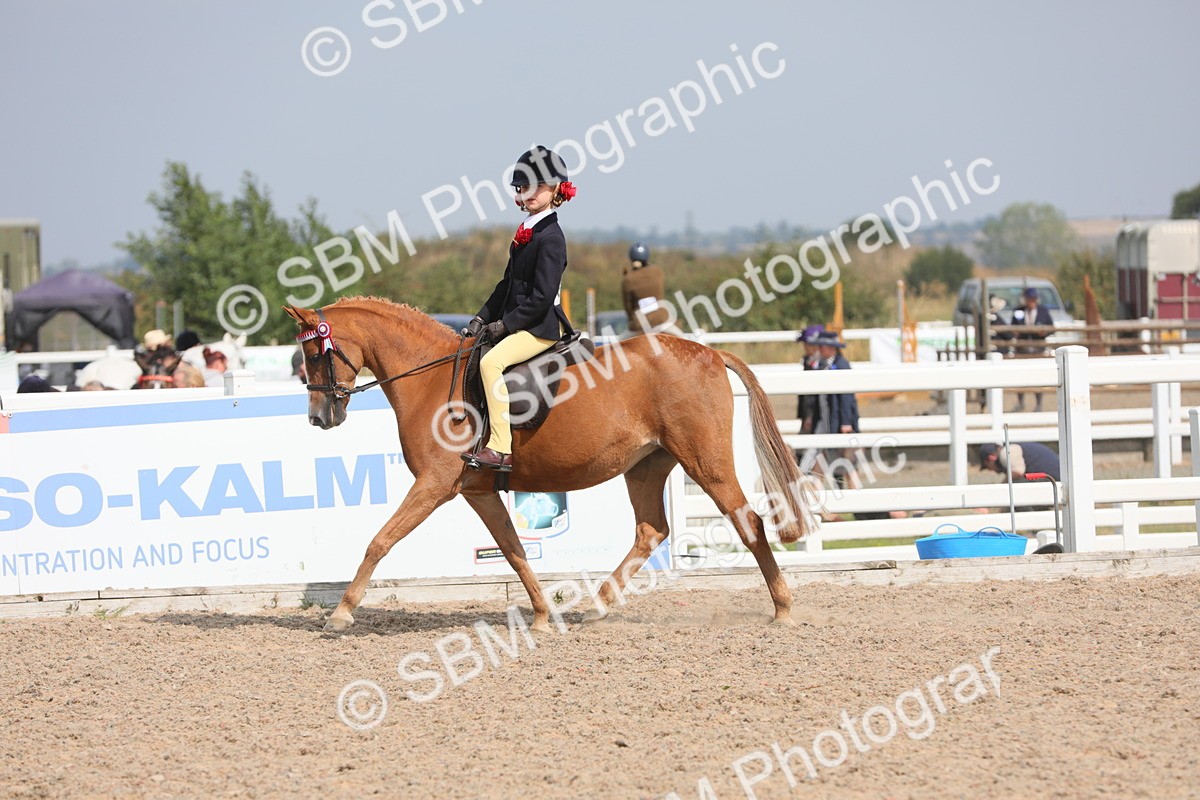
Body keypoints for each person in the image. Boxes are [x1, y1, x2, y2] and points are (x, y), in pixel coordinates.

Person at [461, 145, 577, 472]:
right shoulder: (527, 232)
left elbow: (542, 297)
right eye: (522, 187)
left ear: (555, 189)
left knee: (491, 363)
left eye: (535, 186)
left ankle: (500, 447)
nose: (527, 193)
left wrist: (505, 325)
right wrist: (482, 317)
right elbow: (506, 285)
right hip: (519, 324)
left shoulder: (551, 237)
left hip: (538, 329)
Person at [801, 331, 861, 490]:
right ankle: (819, 503)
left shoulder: (841, 365)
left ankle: (856, 504)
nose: (818, 349)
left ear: (831, 348)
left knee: (845, 464)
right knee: (825, 462)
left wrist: (846, 422)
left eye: (822, 346)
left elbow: (847, 397)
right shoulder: (824, 364)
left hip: (836, 423)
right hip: (826, 422)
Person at [618, 242, 683, 339]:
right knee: (685, 341)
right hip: (661, 319)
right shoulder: (657, 272)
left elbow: (628, 307)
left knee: (615, 346)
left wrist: (632, 319)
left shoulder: (628, 279)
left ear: (631, 258)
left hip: (640, 324)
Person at [1011, 287, 1053, 412]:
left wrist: (1043, 333)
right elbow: (1012, 327)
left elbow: (1051, 327)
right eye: (1029, 299)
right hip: (1022, 349)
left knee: (1038, 377)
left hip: (1037, 349)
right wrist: (1017, 333)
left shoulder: (1043, 312)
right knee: (1020, 377)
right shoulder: (1018, 311)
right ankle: (1020, 402)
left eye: (1033, 299)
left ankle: (1038, 403)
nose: (1032, 301)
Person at [979, 442, 1060, 482]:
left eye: (988, 466)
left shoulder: (1006, 452)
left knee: (1016, 483)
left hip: (1052, 479)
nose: (990, 470)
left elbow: (1018, 472)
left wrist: (1003, 487)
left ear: (991, 458)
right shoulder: (1012, 449)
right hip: (1053, 477)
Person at [795, 324, 823, 434]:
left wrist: (809, 415)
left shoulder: (819, 364)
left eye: (806, 344)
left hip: (814, 413)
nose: (805, 347)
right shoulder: (808, 361)